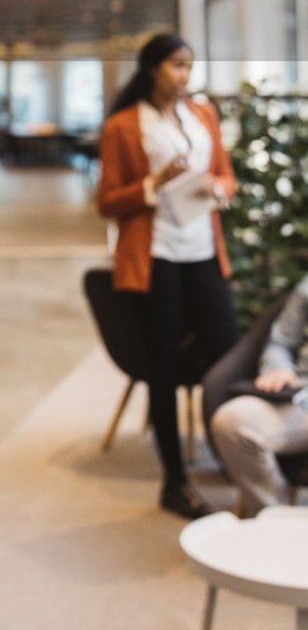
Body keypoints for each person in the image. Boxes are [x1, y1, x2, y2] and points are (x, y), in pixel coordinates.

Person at [97, 32, 239, 518]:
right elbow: (107, 202)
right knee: (163, 366)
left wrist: (217, 187)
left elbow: (226, 175)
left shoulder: (204, 116)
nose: (184, 76)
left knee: (226, 355)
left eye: (189, 67)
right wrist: (153, 184)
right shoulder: (123, 126)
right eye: (177, 66)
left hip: (202, 250)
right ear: (153, 68)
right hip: (154, 255)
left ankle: (230, 454)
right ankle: (175, 482)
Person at [211, 275, 308, 515]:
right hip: (299, 398)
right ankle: (273, 520)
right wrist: (278, 368)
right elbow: (279, 342)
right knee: (232, 421)